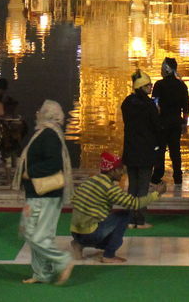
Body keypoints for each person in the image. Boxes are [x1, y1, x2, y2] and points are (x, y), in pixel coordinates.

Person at [13, 100, 75, 285]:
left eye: (41, 111)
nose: (37, 113)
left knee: (36, 235)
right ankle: (42, 274)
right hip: (38, 194)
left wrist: (29, 172)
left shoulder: (49, 135)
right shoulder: (46, 133)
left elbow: (53, 163)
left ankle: (62, 261)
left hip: (45, 195)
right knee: (31, 232)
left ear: (47, 114)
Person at [69, 152, 166, 263]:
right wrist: (156, 194)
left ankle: (79, 244)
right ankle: (108, 255)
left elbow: (74, 200)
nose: (123, 172)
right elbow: (134, 204)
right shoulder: (109, 188)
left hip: (75, 232)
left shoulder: (90, 181)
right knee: (125, 215)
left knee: (107, 218)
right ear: (112, 171)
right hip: (90, 234)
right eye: (120, 169)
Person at [120, 69, 159, 228]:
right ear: (142, 87)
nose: (151, 88)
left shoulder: (127, 103)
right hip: (145, 151)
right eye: (149, 85)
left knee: (132, 186)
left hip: (130, 150)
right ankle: (140, 219)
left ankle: (129, 219)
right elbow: (156, 126)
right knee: (143, 186)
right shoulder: (149, 105)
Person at [152, 57, 189, 185]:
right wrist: (184, 123)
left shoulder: (159, 85)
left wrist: (154, 122)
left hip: (161, 123)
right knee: (175, 150)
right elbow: (186, 107)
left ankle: (158, 174)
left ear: (165, 69)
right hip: (176, 123)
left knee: (160, 150)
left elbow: (155, 105)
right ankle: (178, 176)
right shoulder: (182, 85)